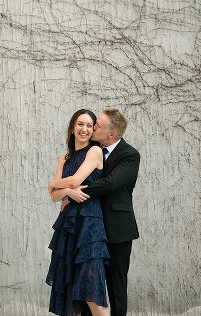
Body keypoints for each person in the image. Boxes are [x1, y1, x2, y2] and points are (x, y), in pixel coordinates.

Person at [55, 109, 140, 316]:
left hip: (117, 230)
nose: (93, 128)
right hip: (90, 228)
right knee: (86, 284)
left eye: (97, 126)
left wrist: (71, 191)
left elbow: (110, 184)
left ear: (112, 134)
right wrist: (65, 191)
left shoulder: (129, 155)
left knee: (115, 286)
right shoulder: (92, 151)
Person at [46, 109, 110, 316]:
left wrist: (54, 184)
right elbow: (55, 197)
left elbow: (74, 181)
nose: (84, 129)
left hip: (90, 226)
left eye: (89, 126)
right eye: (80, 124)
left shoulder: (95, 152)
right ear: (73, 127)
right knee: (72, 291)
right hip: (68, 227)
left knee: (92, 289)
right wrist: (66, 192)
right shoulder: (63, 158)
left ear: (93, 131)